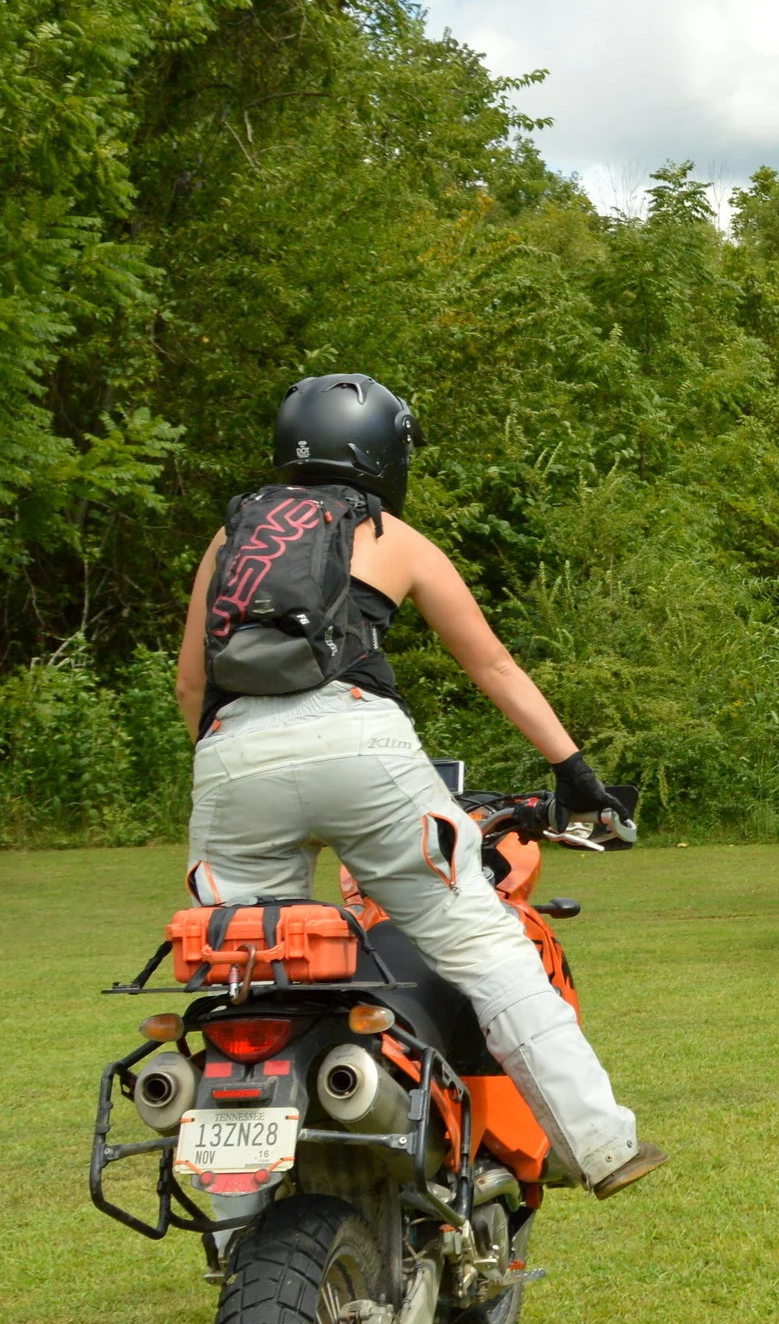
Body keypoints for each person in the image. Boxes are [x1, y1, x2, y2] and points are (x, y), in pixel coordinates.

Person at [175, 374, 663, 1198]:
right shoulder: (389, 533)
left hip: (231, 751)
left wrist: (234, 767)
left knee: (249, 972)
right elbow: (492, 665)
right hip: (360, 742)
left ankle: (240, 1213)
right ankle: (601, 1144)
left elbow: (193, 686)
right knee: (483, 946)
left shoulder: (231, 541)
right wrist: (575, 774)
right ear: (382, 452)